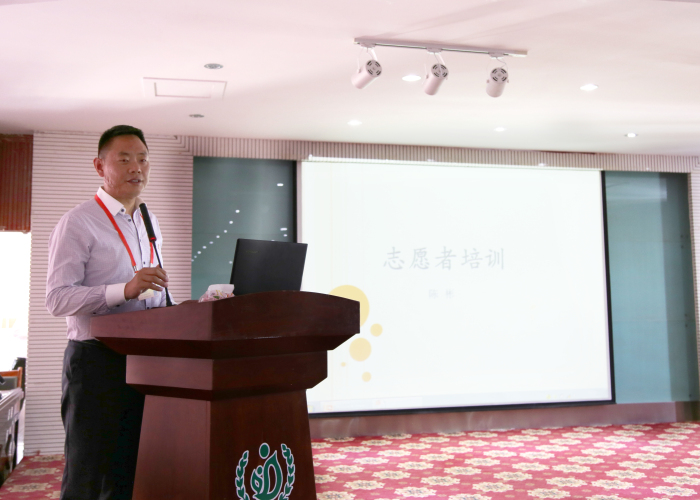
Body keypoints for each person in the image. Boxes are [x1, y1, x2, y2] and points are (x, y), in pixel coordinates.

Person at [46, 125, 172, 500]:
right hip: (96, 363)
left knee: (128, 474)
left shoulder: (149, 220)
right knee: (87, 475)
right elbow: (57, 299)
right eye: (125, 159)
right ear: (100, 166)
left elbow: (149, 290)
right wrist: (124, 290)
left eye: (143, 159)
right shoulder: (78, 221)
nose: (137, 167)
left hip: (143, 361)